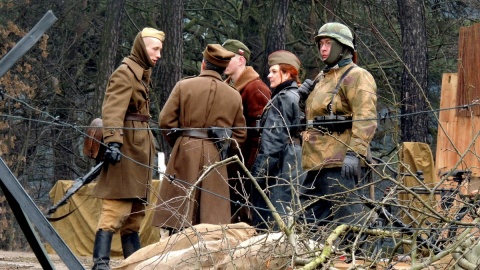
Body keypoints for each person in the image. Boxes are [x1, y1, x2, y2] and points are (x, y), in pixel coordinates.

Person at [152, 44, 247, 233]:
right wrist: (224, 151)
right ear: (223, 69)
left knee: (178, 217)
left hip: (185, 151)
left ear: (203, 64)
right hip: (215, 156)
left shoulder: (184, 86)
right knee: (211, 223)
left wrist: (179, 143)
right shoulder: (234, 95)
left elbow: (165, 121)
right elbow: (240, 136)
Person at [91, 27, 165, 270]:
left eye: (160, 50)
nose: (158, 54)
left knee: (135, 216)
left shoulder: (141, 74)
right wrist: (113, 141)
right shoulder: (125, 73)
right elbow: (112, 109)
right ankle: (100, 264)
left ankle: (135, 264)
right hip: (125, 150)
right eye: (155, 49)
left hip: (139, 149)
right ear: (142, 47)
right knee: (115, 210)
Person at [299, 22, 377, 230]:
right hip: (316, 163)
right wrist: (303, 99)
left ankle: (358, 262)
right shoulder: (322, 78)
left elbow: (366, 117)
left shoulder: (357, 76)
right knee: (307, 225)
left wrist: (354, 154)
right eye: (320, 44)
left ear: (343, 47)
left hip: (340, 164)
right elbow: (311, 119)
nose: (323, 48)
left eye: (328, 43)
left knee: (350, 224)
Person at [250, 50, 305, 230]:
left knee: (274, 226)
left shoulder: (282, 99)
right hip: (298, 165)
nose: (269, 75)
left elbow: (272, 145)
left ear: (287, 73)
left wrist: (257, 177)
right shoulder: (300, 96)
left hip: (282, 169)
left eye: (274, 71)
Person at [222, 39, 271, 223]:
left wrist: (250, 169)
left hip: (246, 168)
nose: (224, 61)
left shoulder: (256, 88)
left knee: (246, 220)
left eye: (229, 57)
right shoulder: (226, 87)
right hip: (230, 166)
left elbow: (261, 136)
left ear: (241, 60)